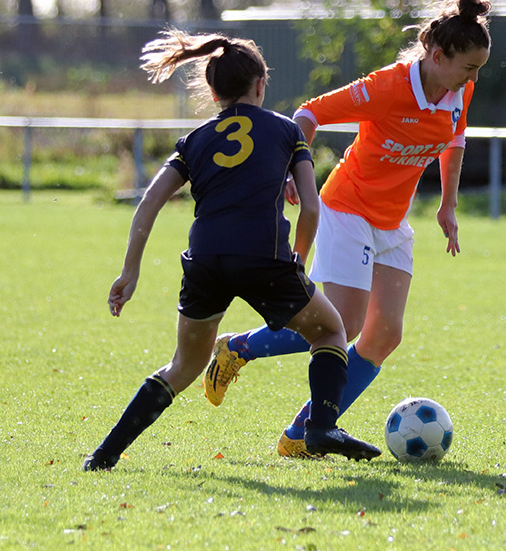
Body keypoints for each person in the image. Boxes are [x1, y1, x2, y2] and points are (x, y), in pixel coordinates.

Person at [201, 0, 493, 458]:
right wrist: (293, 170)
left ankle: (301, 433)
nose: (474, 77)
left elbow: (455, 138)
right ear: (437, 56)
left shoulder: (459, 88)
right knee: (344, 324)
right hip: (347, 209)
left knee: (384, 336)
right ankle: (238, 349)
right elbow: (307, 114)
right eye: (469, 68)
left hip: (392, 222)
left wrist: (448, 204)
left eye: (478, 68)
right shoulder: (387, 87)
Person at [83, 29, 381, 471]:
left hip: (205, 261)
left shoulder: (194, 141)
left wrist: (130, 271)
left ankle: (103, 455)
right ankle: (320, 427)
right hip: (264, 258)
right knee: (331, 331)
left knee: (183, 366)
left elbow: (149, 202)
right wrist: (298, 259)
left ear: (213, 92)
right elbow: (310, 206)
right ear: (260, 85)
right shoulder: (287, 131)